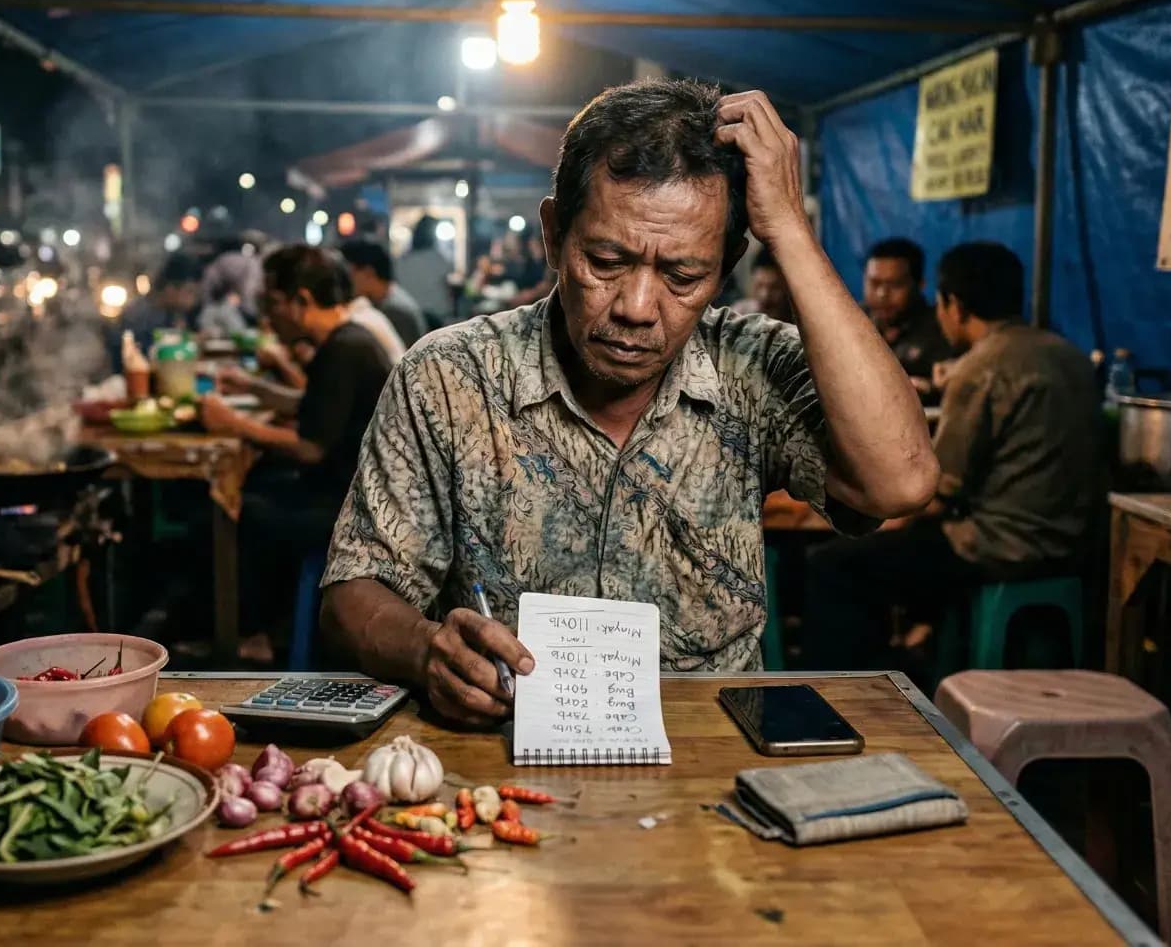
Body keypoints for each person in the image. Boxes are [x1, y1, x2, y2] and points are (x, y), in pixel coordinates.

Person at [319, 79, 937, 723]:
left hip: (710, 744)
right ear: (554, 235)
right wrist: (426, 650)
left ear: (727, 267)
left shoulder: (755, 367)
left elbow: (900, 481)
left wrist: (789, 230)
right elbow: (353, 593)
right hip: (498, 742)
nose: (637, 309)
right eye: (606, 261)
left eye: (683, 275)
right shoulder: (448, 376)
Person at [800, 241, 1101, 671]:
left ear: (954, 305)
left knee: (833, 565)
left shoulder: (982, 367)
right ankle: (915, 654)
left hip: (1000, 547)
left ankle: (863, 689)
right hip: (1073, 544)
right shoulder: (1069, 356)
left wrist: (866, 519)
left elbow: (932, 493)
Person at [199, 245, 394, 665]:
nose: (268, 318)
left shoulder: (346, 348)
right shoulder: (346, 339)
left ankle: (260, 638)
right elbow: (314, 407)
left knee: (242, 511)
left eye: (273, 303)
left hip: (351, 508)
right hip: (344, 490)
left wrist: (234, 424)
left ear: (302, 301)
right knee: (260, 480)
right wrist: (253, 389)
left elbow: (310, 447)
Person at [861, 238, 953, 399]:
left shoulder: (944, 328)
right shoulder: (851, 323)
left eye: (895, 284)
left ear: (920, 285)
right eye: (874, 283)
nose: (882, 294)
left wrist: (930, 388)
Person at [110, 253, 203, 370]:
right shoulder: (140, 317)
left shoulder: (170, 312)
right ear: (170, 289)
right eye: (190, 292)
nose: (193, 299)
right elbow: (147, 360)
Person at [339, 238, 427, 348]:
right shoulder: (384, 299)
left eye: (348, 274)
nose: (345, 281)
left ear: (368, 273)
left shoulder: (396, 311)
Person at [395, 216, 455, 328]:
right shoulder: (437, 259)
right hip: (437, 316)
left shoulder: (402, 261)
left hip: (409, 316)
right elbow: (451, 277)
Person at [732, 255, 795, 324]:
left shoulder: (797, 319)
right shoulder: (740, 313)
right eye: (759, 285)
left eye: (775, 288)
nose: (765, 295)